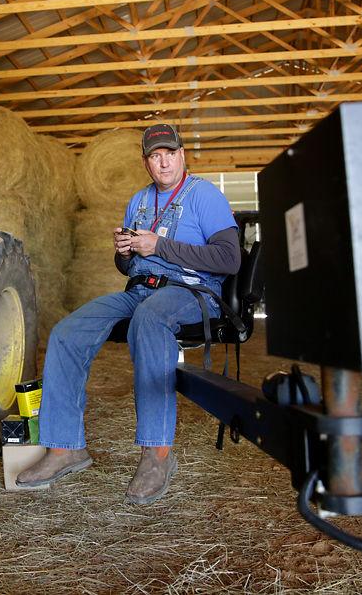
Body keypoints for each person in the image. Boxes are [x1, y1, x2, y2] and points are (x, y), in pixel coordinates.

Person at [16, 123, 242, 504]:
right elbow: (129, 266)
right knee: (67, 331)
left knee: (149, 319)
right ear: (145, 162)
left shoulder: (205, 195)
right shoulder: (138, 201)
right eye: (155, 156)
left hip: (192, 291)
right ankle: (65, 447)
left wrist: (160, 246)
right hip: (140, 290)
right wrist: (123, 252)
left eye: (169, 153)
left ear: (182, 155)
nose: (163, 162)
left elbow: (229, 259)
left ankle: (157, 455)